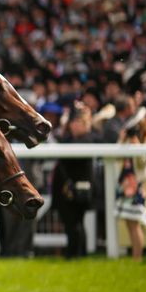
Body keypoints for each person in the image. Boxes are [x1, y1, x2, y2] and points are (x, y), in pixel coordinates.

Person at [51, 102, 100, 259]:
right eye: (73, 122)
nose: (74, 125)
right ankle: (76, 253)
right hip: (66, 188)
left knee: (75, 222)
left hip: (78, 188)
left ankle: (75, 254)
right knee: (72, 223)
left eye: (79, 122)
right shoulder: (67, 139)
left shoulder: (88, 139)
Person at [114, 107, 146, 262]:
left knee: (135, 223)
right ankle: (136, 257)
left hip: (136, 186)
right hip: (125, 185)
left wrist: (138, 148)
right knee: (129, 223)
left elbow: (143, 163)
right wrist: (122, 140)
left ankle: (137, 257)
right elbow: (117, 156)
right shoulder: (128, 140)